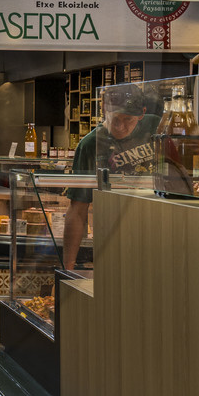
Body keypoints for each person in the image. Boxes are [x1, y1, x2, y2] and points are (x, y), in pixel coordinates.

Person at [63, 85, 160, 270]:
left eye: (128, 119)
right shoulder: (91, 145)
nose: (120, 126)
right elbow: (77, 209)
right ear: (104, 110)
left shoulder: (155, 126)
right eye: (115, 118)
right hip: (112, 238)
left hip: (157, 230)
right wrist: (68, 268)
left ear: (142, 114)